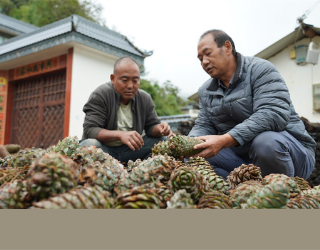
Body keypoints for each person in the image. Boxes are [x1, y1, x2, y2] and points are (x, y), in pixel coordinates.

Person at [187, 29, 316, 179]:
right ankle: (238, 194)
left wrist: (225, 140)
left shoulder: (260, 70)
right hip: (244, 161)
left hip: (291, 153)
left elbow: (272, 114)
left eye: (208, 53)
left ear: (227, 47)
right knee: (194, 154)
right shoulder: (206, 91)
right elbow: (203, 125)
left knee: (265, 142)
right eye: (200, 58)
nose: (204, 62)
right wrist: (187, 144)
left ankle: (278, 193)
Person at [80, 57, 174, 164]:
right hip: (105, 150)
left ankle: (141, 170)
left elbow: (151, 126)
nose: (130, 86)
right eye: (124, 80)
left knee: (162, 141)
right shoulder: (101, 94)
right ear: (113, 78)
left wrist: (159, 129)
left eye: (135, 80)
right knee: (89, 144)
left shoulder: (144, 98)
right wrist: (120, 134)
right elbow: (90, 130)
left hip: (131, 151)